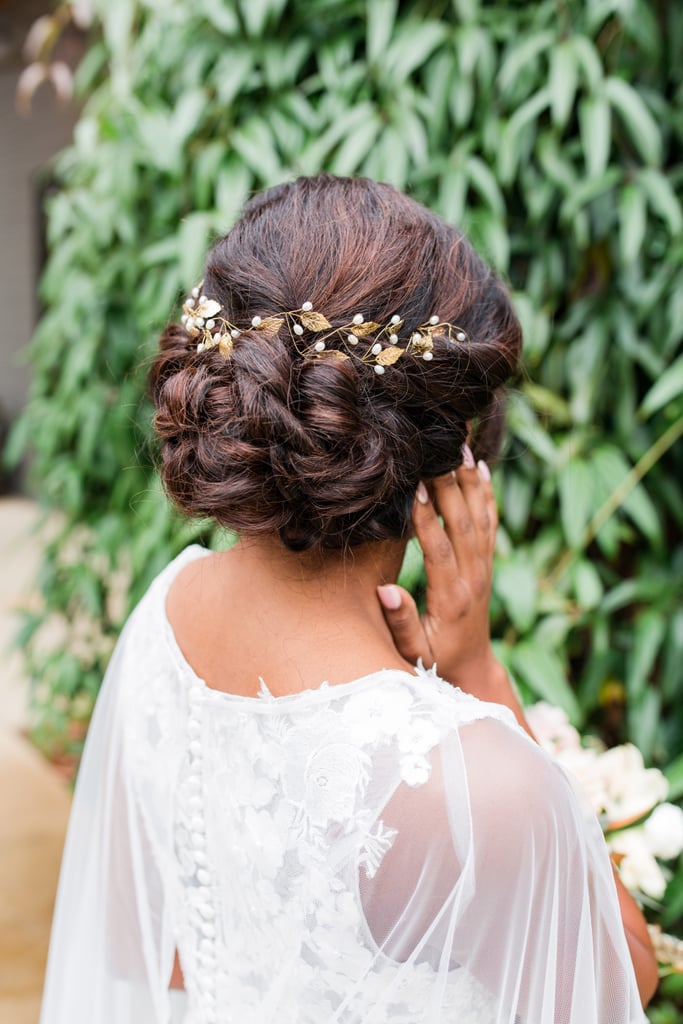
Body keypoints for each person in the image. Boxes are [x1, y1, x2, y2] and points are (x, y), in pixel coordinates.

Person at [40, 174, 657, 1023]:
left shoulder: (164, 616)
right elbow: (623, 978)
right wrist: (477, 671)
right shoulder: (476, 780)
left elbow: (149, 954)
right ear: (453, 456)